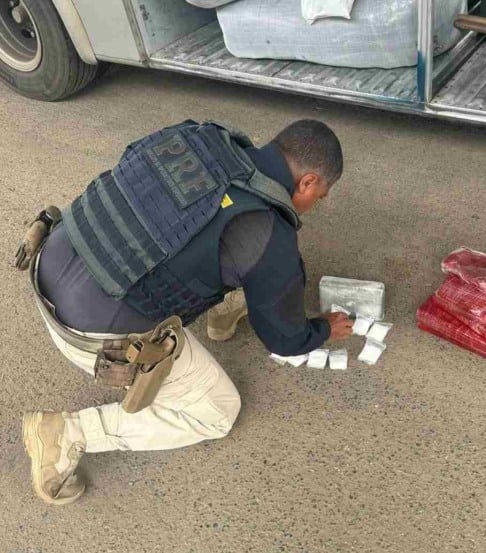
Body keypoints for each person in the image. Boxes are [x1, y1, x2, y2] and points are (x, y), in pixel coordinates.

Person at [17, 118, 354, 505]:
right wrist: (322, 330)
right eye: (321, 195)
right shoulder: (269, 235)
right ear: (308, 182)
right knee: (218, 411)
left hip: (49, 260)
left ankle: (225, 312)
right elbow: (284, 339)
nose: (317, 204)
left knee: (219, 249)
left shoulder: (199, 135)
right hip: (85, 333)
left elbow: (132, 172)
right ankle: (66, 434)